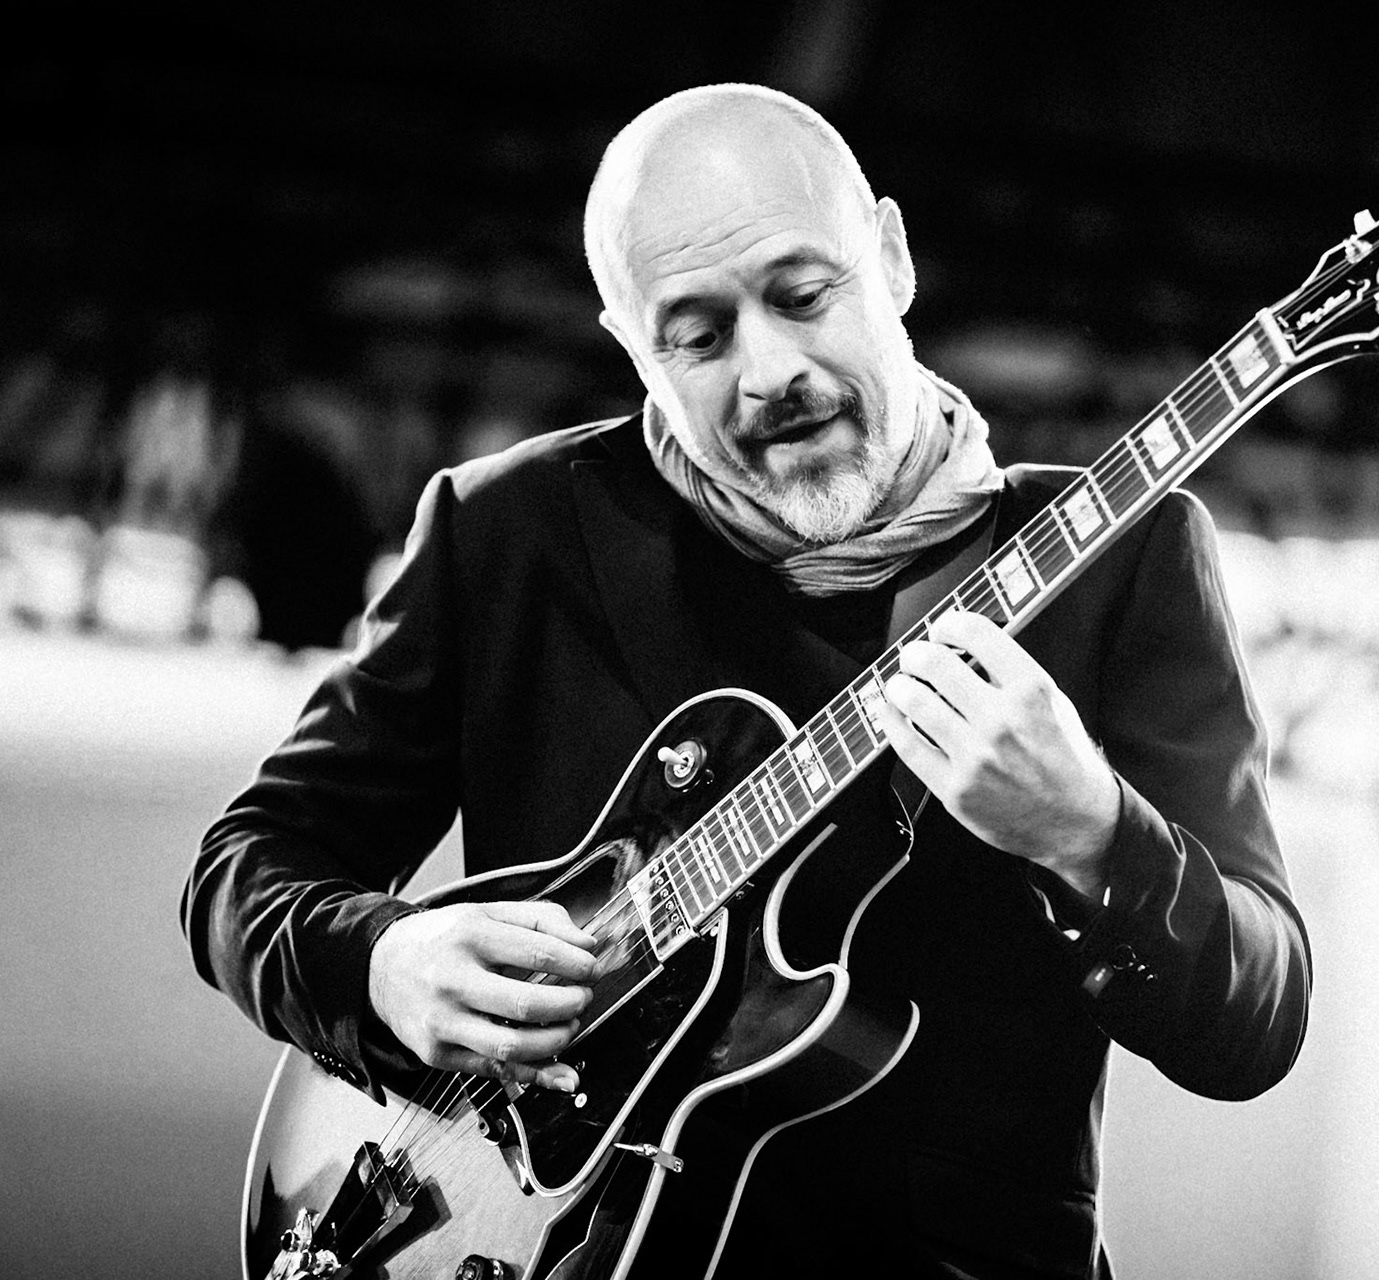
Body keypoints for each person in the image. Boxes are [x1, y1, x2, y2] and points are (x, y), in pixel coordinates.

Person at [184, 83, 1310, 1278]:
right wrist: (383, 961)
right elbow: (246, 866)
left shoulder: (1117, 562)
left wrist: (1092, 831)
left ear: (890, 255)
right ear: (631, 344)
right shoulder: (509, 533)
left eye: (803, 295)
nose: (772, 368)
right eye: (700, 333)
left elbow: (1258, 1019)